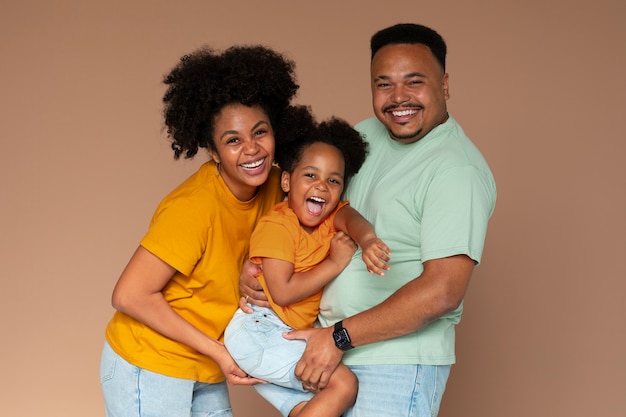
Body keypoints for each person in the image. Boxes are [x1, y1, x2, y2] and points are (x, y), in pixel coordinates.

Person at [241, 23, 497, 417]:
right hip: (330, 352)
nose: (398, 99)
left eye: (414, 82)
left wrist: (339, 337)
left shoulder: (455, 170)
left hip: (394, 365)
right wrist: (260, 262)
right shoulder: (362, 137)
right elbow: (303, 208)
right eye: (384, 84)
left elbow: (444, 290)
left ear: (444, 84)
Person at [99, 44, 300, 417]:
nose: (252, 150)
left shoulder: (279, 185)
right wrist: (219, 352)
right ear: (212, 150)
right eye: (233, 140)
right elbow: (129, 293)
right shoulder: (194, 206)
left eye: (261, 132)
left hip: (204, 363)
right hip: (149, 362)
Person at [225, 106, 391, 417]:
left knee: (309, 410)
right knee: (343, 385)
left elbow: (351, 218)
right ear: (286, 181)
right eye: (310, 175)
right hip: (258, 330)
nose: (321, 186)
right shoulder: (278, 226)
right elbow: (283, 292)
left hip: (281, 332)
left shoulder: (329, 218)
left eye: (333, 181)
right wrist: (335, 262)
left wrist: (368, 239)